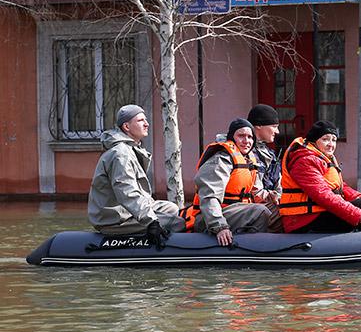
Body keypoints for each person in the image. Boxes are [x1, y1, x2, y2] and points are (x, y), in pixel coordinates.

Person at [88, 104, 185, 248]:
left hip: (126, 211)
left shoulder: (131, 149)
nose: (147, 124)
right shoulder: (121, 155)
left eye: (145, 120)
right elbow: (127, 192)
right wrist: (151, 221)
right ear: (126, 126)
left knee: (171, 208)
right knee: (177, 222)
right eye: (140, 120)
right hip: (115, 219)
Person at [181, 118, 271, 246]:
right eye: (241, 136)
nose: (246, 141)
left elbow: (255, 193)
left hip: (235, 213)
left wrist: (272, 197)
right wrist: (219, 226)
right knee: (261, 211)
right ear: (231, 138)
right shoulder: (221, 159)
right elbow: (209, 196)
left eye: (250, 137)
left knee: (275, 210)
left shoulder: (249, 160)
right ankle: (256, 248)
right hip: (209, 219)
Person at [279, 120, 361, 233]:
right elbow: (323, 195)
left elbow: (339, 187)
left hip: (317, 212)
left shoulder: (322, 157)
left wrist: (356, 195)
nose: (331, 144)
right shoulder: (304, 161)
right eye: (325, 139)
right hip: (301, 220)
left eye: (334, 140)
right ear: (314, 141)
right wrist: (358, 215)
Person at [247, 104, 283, 232]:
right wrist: (273, 197)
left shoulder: (270, 153)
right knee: (288, 213)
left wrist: (281, 196)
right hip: (250, 209)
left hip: (267, 205)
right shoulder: (245, 153)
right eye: (274, 127)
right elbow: (255, 193)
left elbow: (279, 183)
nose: (277, 131)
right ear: (258, 126)